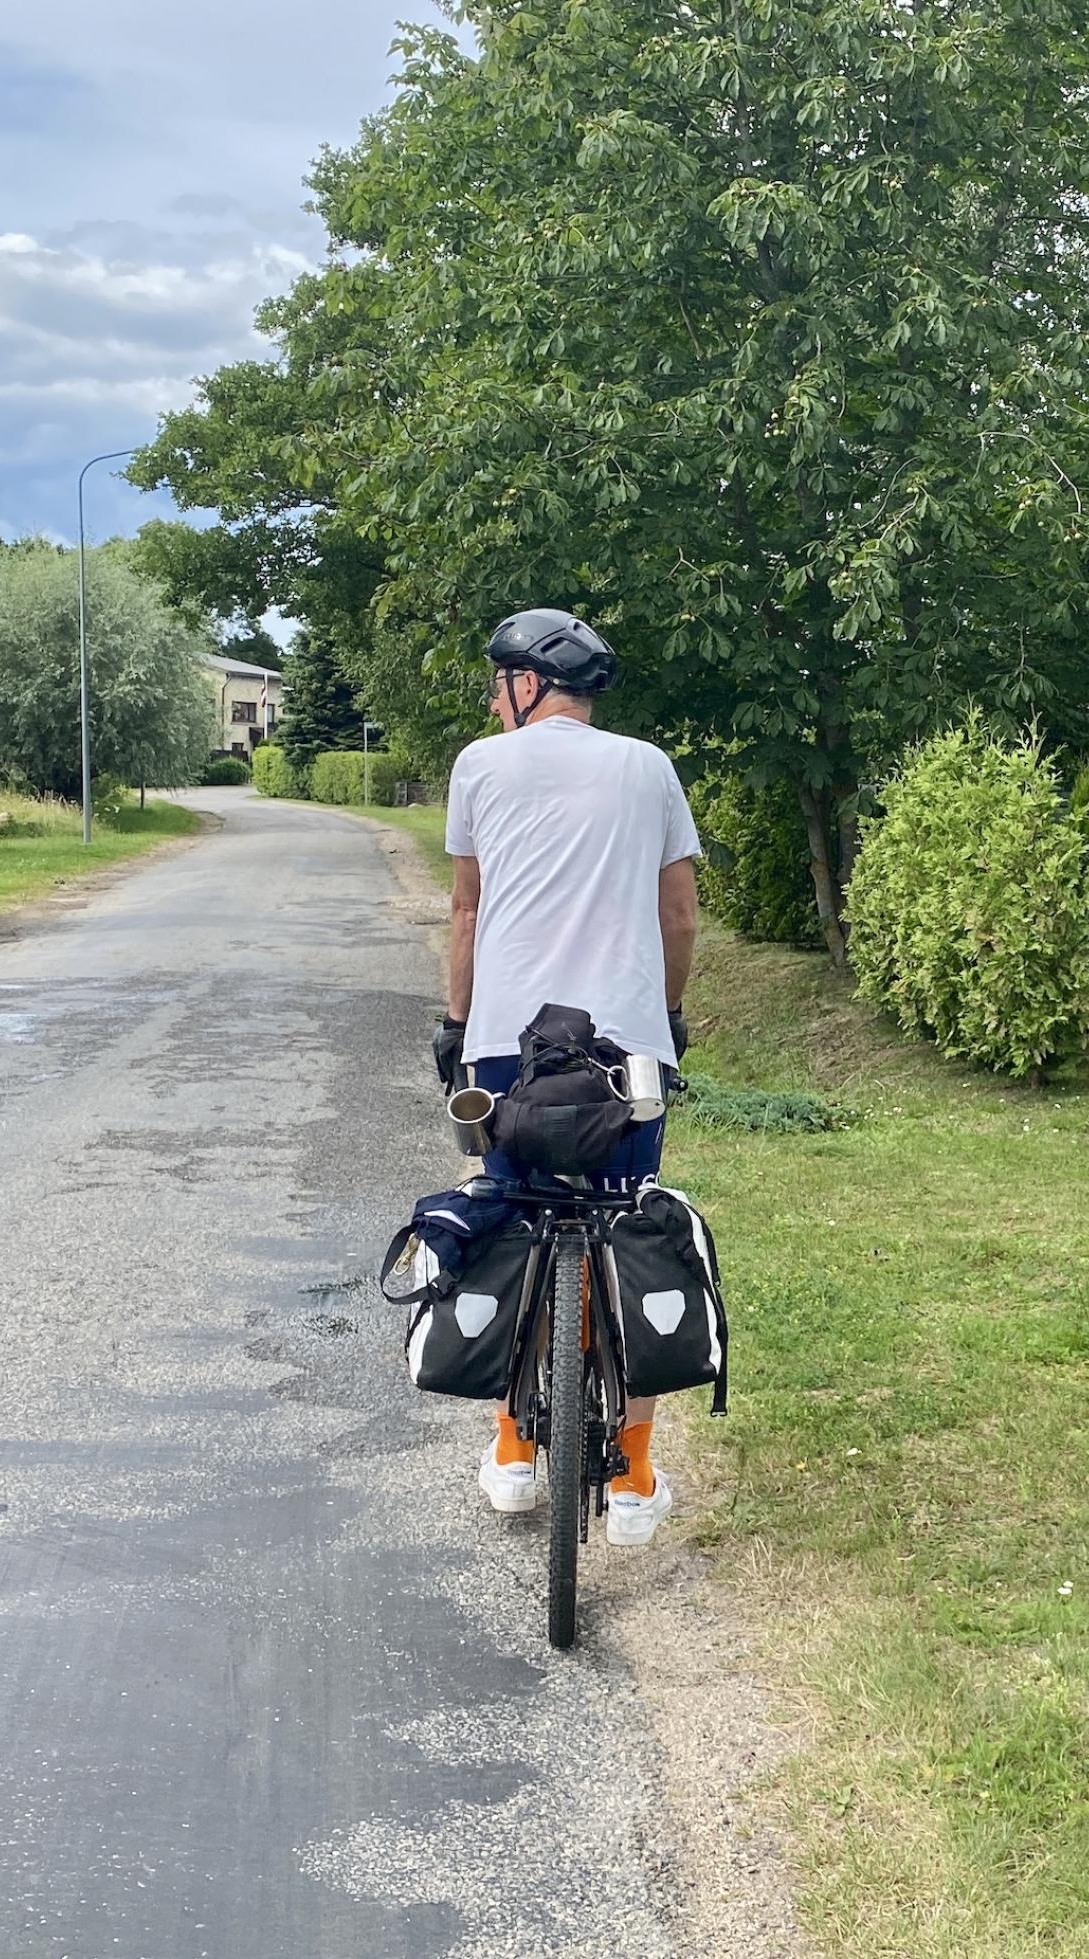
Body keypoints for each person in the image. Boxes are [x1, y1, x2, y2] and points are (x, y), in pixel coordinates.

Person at [433, 608, 701, 1548]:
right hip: (624, 1048)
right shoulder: (650, 767)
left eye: (494, 680)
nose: (488, 699)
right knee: (628, 1226)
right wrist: (666, 1017)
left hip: (508, 1042)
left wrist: (458, 1025)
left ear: (525, 682)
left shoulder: (478, 765)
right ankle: (631, 1478)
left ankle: (511, 1453)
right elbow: (678, 913)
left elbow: (466, 911)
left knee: (505, 1212)